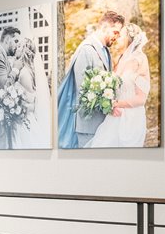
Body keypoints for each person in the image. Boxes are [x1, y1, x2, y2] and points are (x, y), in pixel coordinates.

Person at [56, 10, 124, 149]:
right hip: (88, 126)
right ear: (104, 27)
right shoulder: (86, 50)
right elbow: (83, 91)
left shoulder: (106, 51)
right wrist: (108, 106)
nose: (117, 37)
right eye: (115, 32)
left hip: (102, 123)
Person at [91, 18, 152, 146]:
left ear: (128, 39)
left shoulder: (140, 60)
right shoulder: (120, 59)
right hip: (114, 116)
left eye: (121, 36)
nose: (117, 39)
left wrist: (116, 103)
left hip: (132, 118)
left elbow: (141, 99)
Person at [0, 23, 38, 148]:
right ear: (7, 39)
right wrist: (15, 69)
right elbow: (4, 86)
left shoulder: (5, 57)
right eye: (15, 41)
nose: (16, 46)